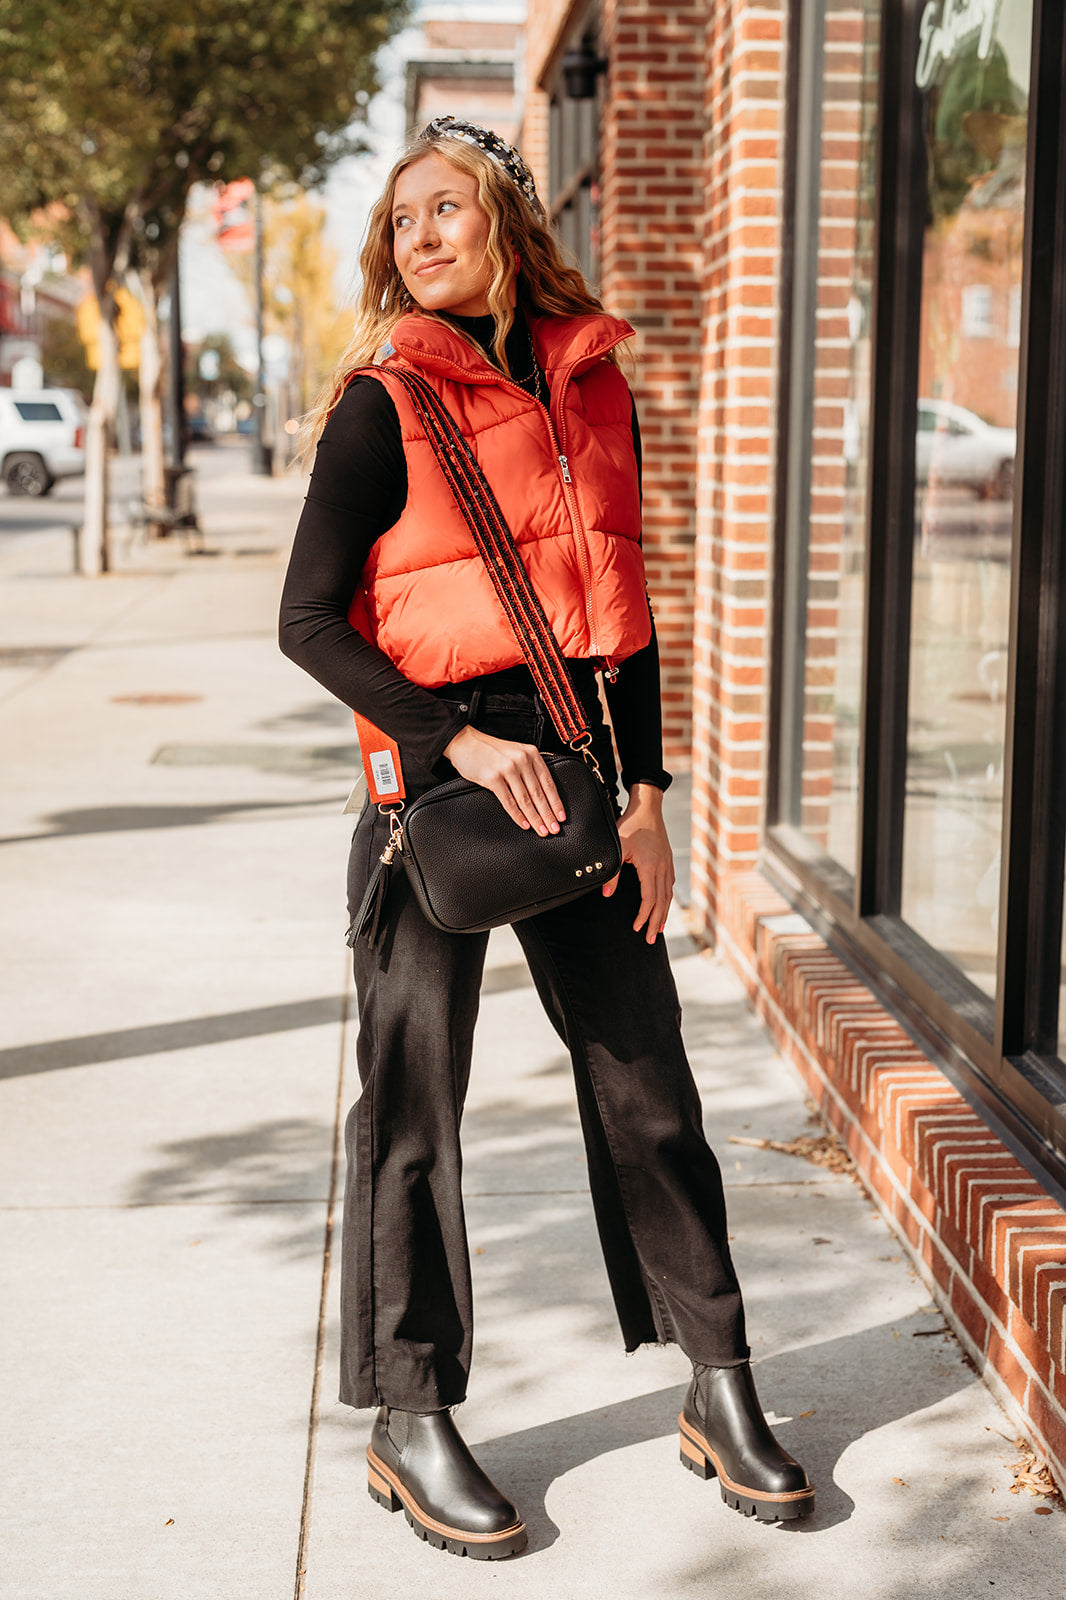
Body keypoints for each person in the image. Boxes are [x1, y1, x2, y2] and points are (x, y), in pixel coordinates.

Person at [279, 116, 813, 1559]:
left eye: (448, 209)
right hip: (435, 794)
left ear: (508, 219)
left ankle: (717, 1380)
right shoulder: (379, 404)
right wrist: (455, 735)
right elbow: (308, 621)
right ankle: (409, 1414)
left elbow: (624, 625)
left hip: (580, 783)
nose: (426, 236)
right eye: (403, 223)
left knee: (650, 1089)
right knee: (412, 1115)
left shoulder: (594, 387)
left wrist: (645, 797)